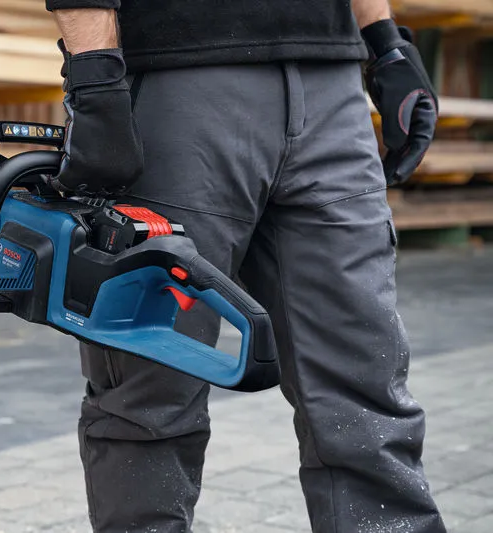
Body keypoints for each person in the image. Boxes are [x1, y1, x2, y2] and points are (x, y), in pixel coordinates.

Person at [43, 0, 446, 532]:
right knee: (150, 396)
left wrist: (385, 40)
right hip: (179, 81)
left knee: (366, 389)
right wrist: (95, 78)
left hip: (332, 84)